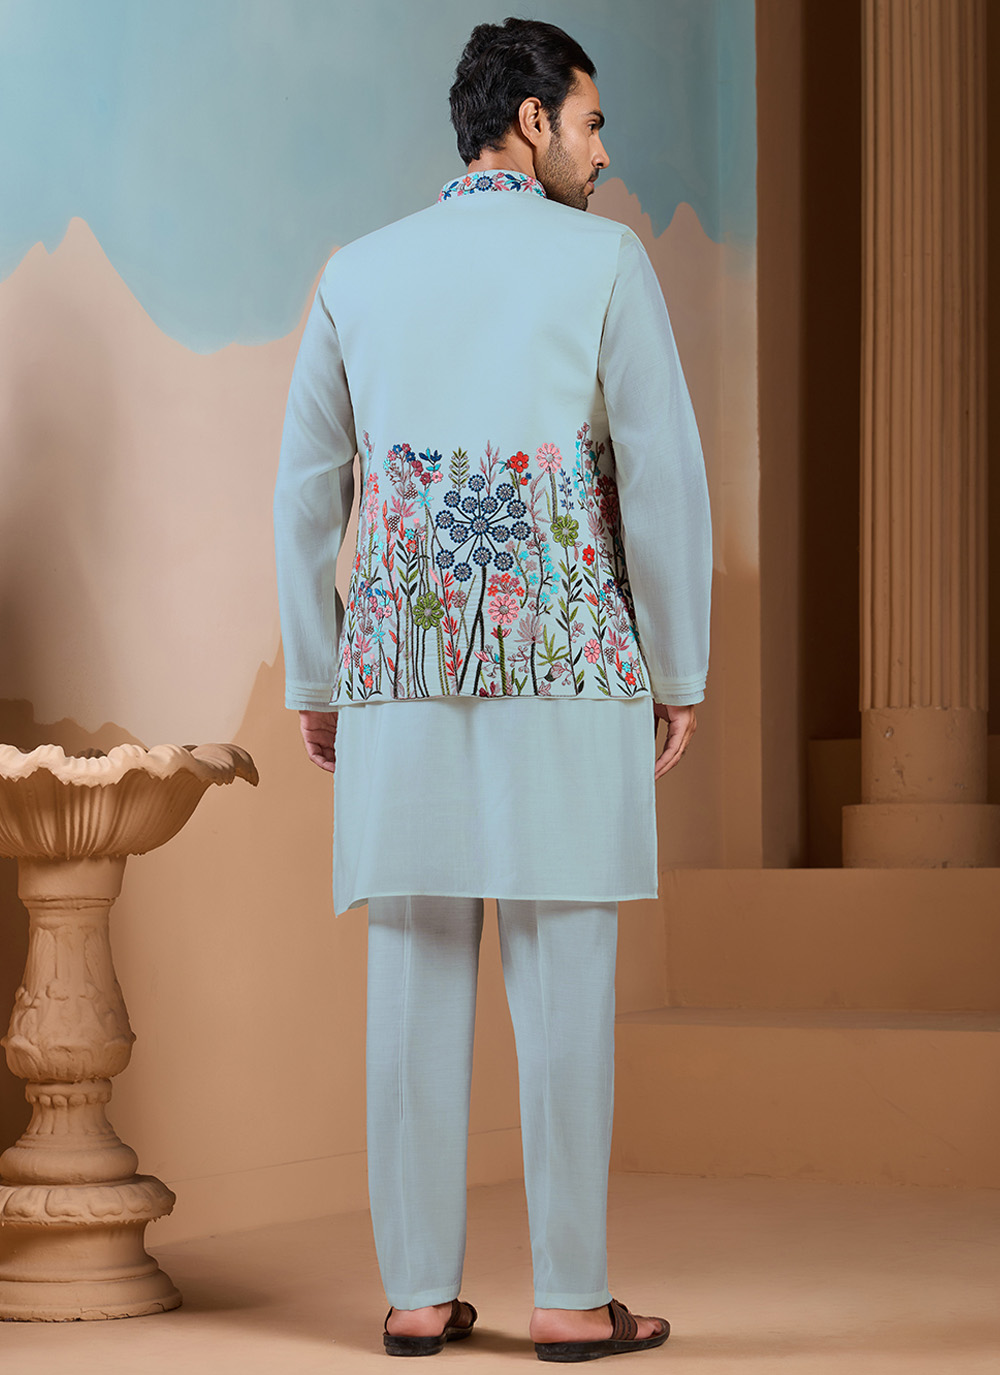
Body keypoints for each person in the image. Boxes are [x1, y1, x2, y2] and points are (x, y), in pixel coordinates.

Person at [274, 16, 711, 1362]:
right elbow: (662, 473)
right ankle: (569, 1299)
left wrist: (317, 672)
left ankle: (416, 1296)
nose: (602, 151)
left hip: (398, 668)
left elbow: (304, 494)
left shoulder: (359, 271)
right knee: (565, 977)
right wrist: (678, 665)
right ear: (530, 122)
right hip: (567, 663)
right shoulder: (606, 261)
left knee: (411, 975)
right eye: (590, 122)